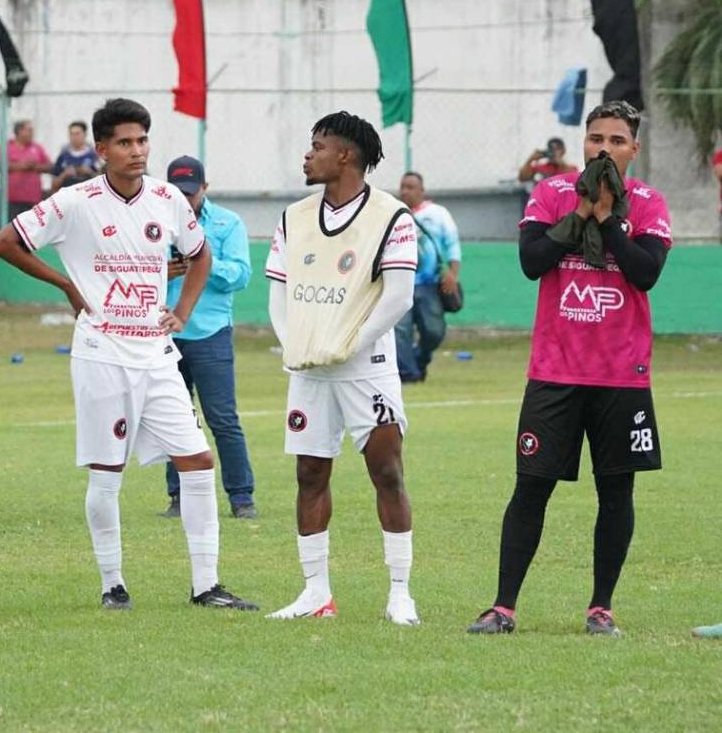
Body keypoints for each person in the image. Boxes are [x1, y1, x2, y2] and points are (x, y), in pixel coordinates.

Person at [0, 97, 257, 612]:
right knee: (106, 471)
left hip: (157, 354)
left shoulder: (167, 199)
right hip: (101, 354)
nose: (137, 151)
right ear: (101, 150)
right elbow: (5, 242)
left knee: (198, 461)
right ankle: (113, 584)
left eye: (142, 141)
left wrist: (181, 310)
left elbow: (200, 255)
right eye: (124, 143)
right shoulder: (76, 201)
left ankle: (207, 585)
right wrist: (66, 286)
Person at [467, 101, 673, 637]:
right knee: (531, 488)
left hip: (620, 376)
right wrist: (581, 212)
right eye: (595, 138)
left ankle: (600, 608)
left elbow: (645, 273)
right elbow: (533, 261)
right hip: (554, 372)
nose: (604, 149)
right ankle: (503, 607)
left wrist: (608, 218)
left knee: (616, 492)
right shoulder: (552, 194)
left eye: (616, 140)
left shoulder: (649, 204)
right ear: (583, 143)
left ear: (634, 148)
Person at [264, 111, 420, 625]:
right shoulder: (293, 217)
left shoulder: (393, 216)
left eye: (317, 146)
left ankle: (400, 593)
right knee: (309, 472)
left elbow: (397, 297)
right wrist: (296, 345)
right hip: (309, 369)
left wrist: (350, 342)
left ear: (345, 155)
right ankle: (315, 594)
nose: (307, 155)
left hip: (365, 366)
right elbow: (279, 293)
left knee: (387, 471)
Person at [159, 155, 257, 520]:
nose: (185, 201)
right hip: (166, 331)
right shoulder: (155, 221)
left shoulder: (227, 223)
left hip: (210, 332)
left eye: (191, 192)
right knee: (174, 418)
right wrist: (166, 271)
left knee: (222, 418)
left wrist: (202, 260)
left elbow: (241, 275)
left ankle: (241, 496)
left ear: (205, 188)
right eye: (177, 193)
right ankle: (179, 497)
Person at [395, 172, 461, 383]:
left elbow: (452, 244)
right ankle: (408, 374)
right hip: (399, 285)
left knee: (434, 331)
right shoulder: (393, 214)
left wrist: (452, 273)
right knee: (400, 330)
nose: (405, 191)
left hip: (429, 284)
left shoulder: (438, 213)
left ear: (422, 191)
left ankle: (420, 359)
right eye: (403, 187)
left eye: (411, 187)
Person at [0, 119, 50, 220]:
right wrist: (19, 166)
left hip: (32, 200)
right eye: (29, 130)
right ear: (19, 131)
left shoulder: (37, 148)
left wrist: (34, 166)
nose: (32, 133)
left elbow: (49, 166)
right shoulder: (6, 147)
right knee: (8, 228)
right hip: (10, 200)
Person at [50, 120, 100, 192]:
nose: (74, 137)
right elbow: (53, 185)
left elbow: (103, 182)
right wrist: (64, 175)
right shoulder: (63, 156)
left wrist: (90, 173)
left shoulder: (94, 155)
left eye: (77, 134)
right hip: (68, 198)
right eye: (71, 134)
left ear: (85, 134)